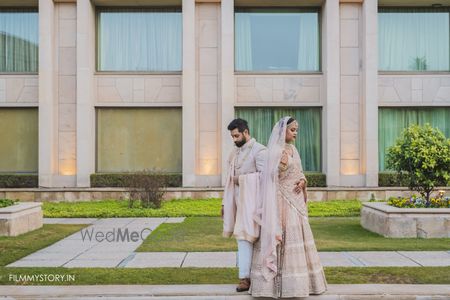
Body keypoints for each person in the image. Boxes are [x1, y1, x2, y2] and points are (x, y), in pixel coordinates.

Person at [250, 116, 327, 298]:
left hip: (294, 200)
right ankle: (273, 287)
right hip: (279, 200)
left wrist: (302, 181)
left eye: (297, 130)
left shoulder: (293, 149)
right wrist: (281, 164)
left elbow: (299, 172)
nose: (296, 133)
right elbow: (271, 177)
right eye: (293, 130)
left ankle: (299, 284)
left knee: (296, 240)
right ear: (282, 131)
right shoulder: (274, 151)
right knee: (280, 237)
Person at [222, 118, 267, 292]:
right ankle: (246, 277)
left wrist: (241, 180)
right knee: (242, 238)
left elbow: (266, 179)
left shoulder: (260, 151)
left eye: (236, 135)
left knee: (247, 238)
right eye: (232, 136)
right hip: (237, 202)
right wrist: (224, 204)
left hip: (255, 204)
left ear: (246, 132)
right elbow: (228, 180)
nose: (234, 139)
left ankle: (248, 278)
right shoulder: (235, 152)